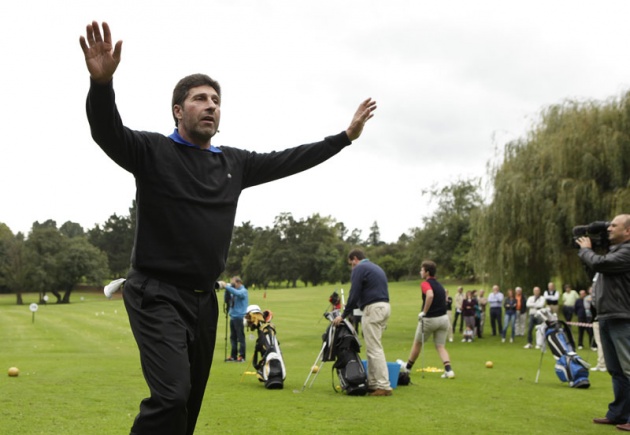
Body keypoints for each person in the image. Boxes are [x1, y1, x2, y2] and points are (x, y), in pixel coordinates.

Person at [80, 21, 377, 435]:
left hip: (204, 302)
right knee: (171, 396)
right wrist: (102, 85)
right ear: (178, 111)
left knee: (188, 408)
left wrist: (344, 137)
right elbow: (106, 131)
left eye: (216, 100)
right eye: (199, 99)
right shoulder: (152, 151)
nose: (210, 105)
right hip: (156, 293)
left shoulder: (233, 164)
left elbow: (289, 159)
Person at [577, 214, 630, 430]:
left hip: (622, 316)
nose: (608, 228)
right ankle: (619, 413)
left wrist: (586, 250)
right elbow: (595, 268)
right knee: (615, 369)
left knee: (628, 367)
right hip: (608, 315)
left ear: (628, 231)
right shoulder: (615, 251)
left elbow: (600, 263)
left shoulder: (627, 251)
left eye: (614, 225)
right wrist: (587, 254)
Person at [332, 249, 391, 396]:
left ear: (355, 259)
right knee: (373, 346)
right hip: (384, 307)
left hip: (373, 309)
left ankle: (383, 386)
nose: (352, 267)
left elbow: (354, 292)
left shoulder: (359, 268)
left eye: (351, 264)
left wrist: (344, 315)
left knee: (374, 348)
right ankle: (373, 383)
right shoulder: (375, 267)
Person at [404, 260, 455, 379]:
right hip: (443, 319)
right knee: (440, 346)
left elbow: (430, 295)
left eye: (422, 270)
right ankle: (449, 370)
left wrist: (424, 312)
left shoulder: (425, 284)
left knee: (417, 343)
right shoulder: (440, 285)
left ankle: (407, 368)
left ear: (427, 272)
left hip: (430, 320)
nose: (420, 272)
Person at [222, 277, 248, 362]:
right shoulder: (233, 291)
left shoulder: (243, 291)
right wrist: (227, 290)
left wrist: (227, 287)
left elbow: (238, 293)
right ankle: (233, 356)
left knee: (240, 338)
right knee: (233, 337)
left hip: (239, 317)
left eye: (233, 283)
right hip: (233, 316)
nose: (233, 285)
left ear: (238, 282)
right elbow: (227, 300)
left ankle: (242, 356)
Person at [588, 286, 607, 372]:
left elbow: (593, 310)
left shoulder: (596, 300)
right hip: (602, 321)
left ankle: (602, 364)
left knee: (600, 343)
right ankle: (601, 363)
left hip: (598, 321)